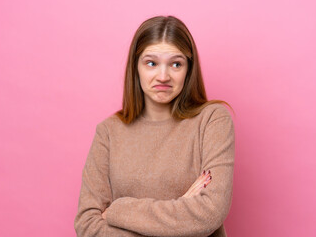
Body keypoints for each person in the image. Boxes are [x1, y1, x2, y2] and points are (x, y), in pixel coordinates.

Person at [74, 15, 235, 237]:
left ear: (189, 69)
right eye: (151, 63)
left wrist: (118, 210)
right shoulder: (109, 132)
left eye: (176, 64)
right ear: (136, 66)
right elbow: (87, 224)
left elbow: (209, 213)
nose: (163, 76)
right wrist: (181, 216)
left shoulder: (212, 120)